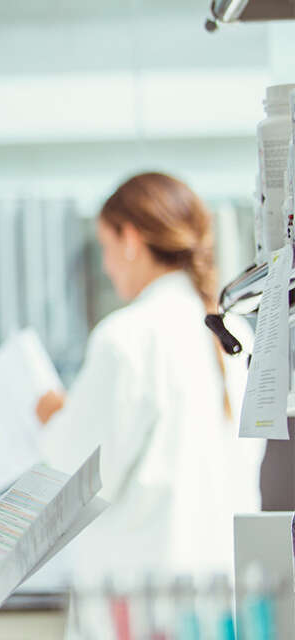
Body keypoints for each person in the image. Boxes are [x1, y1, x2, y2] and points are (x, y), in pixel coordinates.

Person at [33, 172, 262, 582]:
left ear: (132, 240)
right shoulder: (234, 334)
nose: (105, 266)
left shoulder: (126, 337)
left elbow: (80, 476)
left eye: (106, 246)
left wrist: (55, 417)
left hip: (146, 598)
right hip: (224, 587)